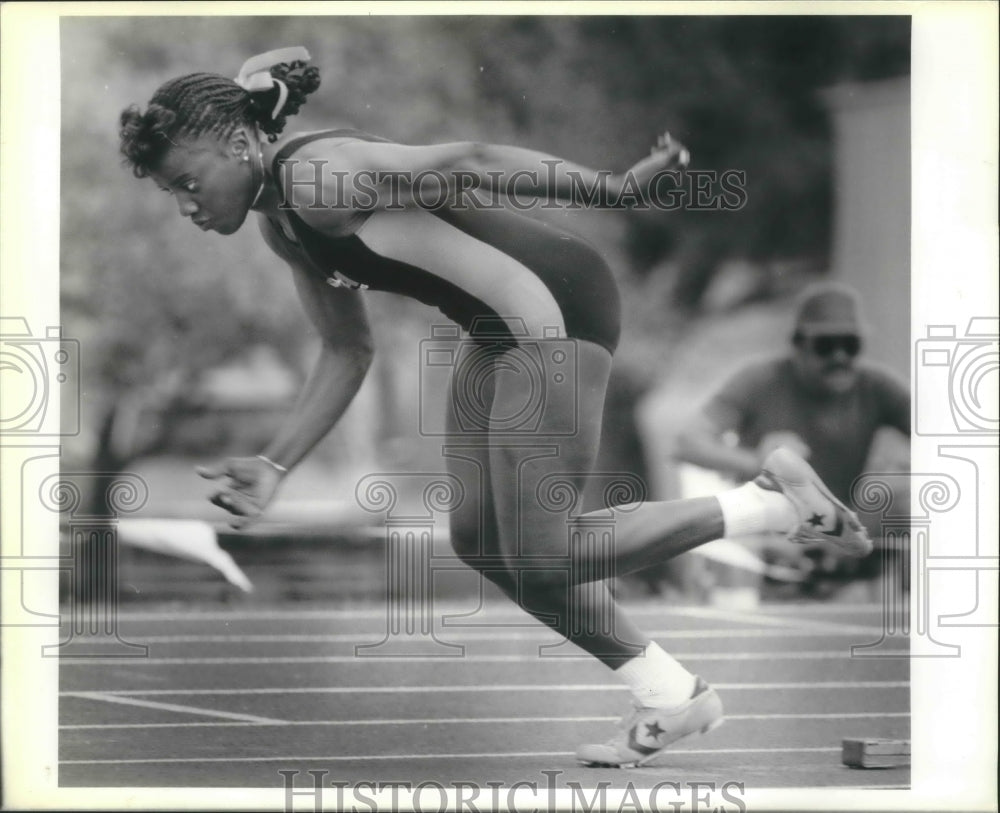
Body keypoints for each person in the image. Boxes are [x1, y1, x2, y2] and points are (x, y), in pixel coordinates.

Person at [118, 47, 873, 768]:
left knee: (545, 550)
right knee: (481, 538)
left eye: (188, 180)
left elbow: (472, 159)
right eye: (171, 193)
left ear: (239, 140)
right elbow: (347, 350)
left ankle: (771, 505)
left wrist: (608, 189)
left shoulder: (319, 177)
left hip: (557, 307)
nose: (186, 204)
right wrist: (275, 461)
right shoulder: (282, 222)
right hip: (492, 329)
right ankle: (673, 696)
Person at [675, 282, 911, 591]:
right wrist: (759, 462)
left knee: (908, 494)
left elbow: (943, 438)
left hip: (844, 533)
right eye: (826, 345)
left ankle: (919, 606)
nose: (840, 356)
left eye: (851, 345)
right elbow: (687, 441)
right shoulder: (758, 380)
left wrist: (908, 469)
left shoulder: (877, 387)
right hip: (770, 537)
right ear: (798, 344)